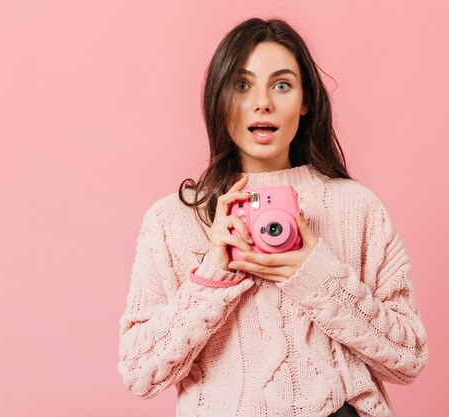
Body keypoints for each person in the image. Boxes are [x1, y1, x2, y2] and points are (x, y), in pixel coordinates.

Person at [117, 17, 429, 417]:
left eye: (281, 85)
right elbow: (140, 373)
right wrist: (213, 274)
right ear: (219, 97)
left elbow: (409, 357)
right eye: (242, 85)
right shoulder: (171, 220)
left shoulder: (357, 207)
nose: (262, 102)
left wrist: (317, 274)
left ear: (305, 101)